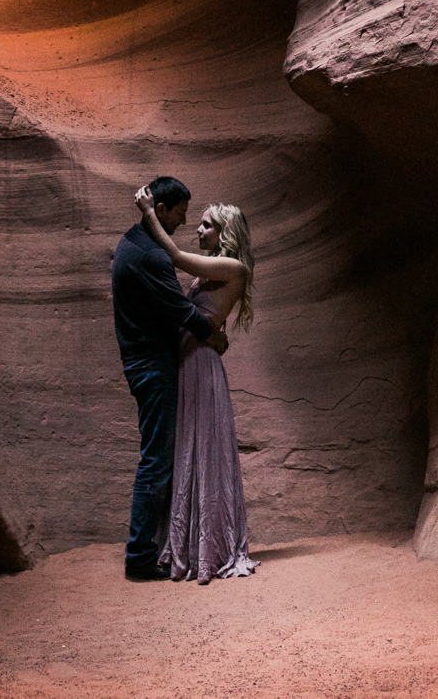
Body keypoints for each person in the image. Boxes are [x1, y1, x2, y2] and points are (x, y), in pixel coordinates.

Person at [135, 185, 259, 584]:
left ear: (224, 232)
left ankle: (209, 549)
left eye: (206, 224)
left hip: (201, 367)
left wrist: (149, 212)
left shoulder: (233, 268)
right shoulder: (216, 269)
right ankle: (189, 546)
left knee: (201, 450)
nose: (197, 229)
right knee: (187, 450)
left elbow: (175, 257)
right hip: (189, 362)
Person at [112, 176, 227, 581]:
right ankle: (140, 557)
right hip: (152, 366)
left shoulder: (132, 242)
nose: (184, 221)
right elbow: (182, 310)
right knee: (158, 459)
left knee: (158, 456)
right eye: (179, 213)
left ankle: (155, 545)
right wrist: (213, 336)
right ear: (160, 211)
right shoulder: (151, 257)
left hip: (142, 361)